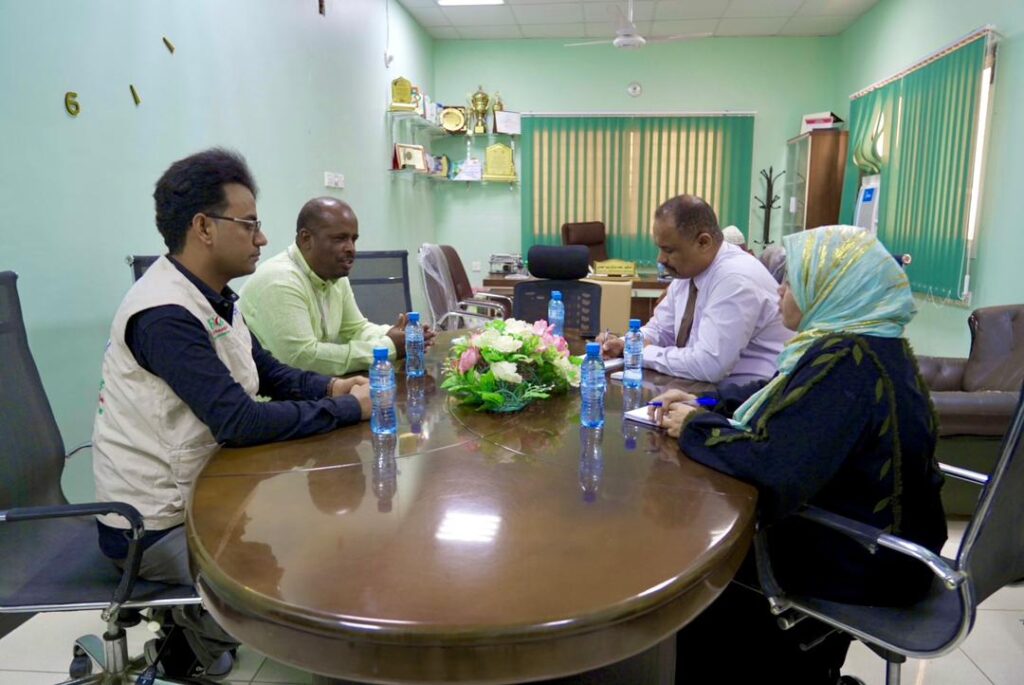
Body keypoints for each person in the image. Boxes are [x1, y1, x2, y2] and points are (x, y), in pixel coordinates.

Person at [92, 149, 372, 679]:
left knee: (334, 534)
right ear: (203, 227)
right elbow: (238, 421)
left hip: (208, 488)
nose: (262, 239)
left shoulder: (215, 299)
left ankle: (197, 635)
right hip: (154, 525)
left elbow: (268, 371)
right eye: (249, 225)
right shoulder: (164, 315)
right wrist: (345, 409)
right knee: (314, 568)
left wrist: (333, 385)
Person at [650, 225, 947, 684]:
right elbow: (779, 391)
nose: (780, 291)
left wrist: (694, 427)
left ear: (828, 288)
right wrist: (709, 402)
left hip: (865, 560)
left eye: (792, 281)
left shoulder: (847, 363)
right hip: (887, 541)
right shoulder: (867, 342)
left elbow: (773, 467)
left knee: (699, 569)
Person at [601, 195, 791, 383]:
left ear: (703, 242)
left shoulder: (735, 278)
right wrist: (624, 343)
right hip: (707, 388)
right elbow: (660, 330)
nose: (661, 259)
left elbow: (709, 365)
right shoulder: (689, 271)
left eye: (669, 250)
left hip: (753, 395)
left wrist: (639, 353)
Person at [240, 197, 434, 375]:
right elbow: (304, 358)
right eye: (339, 239)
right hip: (274, 398)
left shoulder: (334, 276)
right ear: (306, 239)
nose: (351, 248)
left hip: (316, 389)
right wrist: (389, 347)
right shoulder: (280, 280)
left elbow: (355, 329)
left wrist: (401, 335)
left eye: (353, 239)